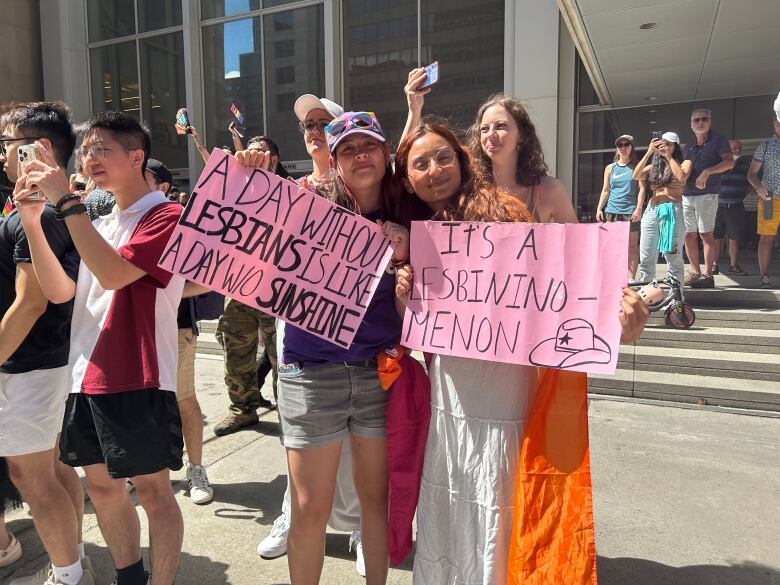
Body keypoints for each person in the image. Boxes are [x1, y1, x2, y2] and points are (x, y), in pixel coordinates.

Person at [393, 119, 649, 585]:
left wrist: (622, 324)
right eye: (421, 162)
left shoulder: (507, 214)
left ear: (463, 160)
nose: (435, 170)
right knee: (454, 503)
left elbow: (570, 293)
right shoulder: (418, 236)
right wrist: (404, 296)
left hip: (511, 397)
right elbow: (412, 331)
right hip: (450, 402)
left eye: (444, 156)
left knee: (506, 504)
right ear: (407, 176)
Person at [13, 111, 186, 585]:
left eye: (103, 148)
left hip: (140, 373)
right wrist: (30, 219)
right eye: (87, 149)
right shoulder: (99, 218)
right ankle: (129, 576)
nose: (90, 157)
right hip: (85, 372)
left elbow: (113, 276)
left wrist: (66, 202)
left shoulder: (167, 216)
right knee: (103, 490)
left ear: (137, 157)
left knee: (153, 492)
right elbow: (59, 292)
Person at [276, 111, 407, 585]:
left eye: (368, 145)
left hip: (379, 374)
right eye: (348, 150)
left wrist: (409, 249)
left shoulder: (406, 213)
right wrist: (248, 165)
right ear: (334, 162)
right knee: (309, 508)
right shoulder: (306, 204)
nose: (360, 156)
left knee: (376, 500)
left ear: (385, 152)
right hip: (312, 372)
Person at [257, 95, 365, 576]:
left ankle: (362, 528)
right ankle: (292, 515)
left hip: (356, 338)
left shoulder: (362, 189)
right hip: (298, 334)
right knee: (300, 441)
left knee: (359, 442)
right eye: (307, 124)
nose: (314, 130)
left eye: (324, 122)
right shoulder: (292, 190)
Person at [0, 102, 92, 585]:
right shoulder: (41, 207)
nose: (0, 155)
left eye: (7, 144)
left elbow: (31, 302)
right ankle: (73, 562)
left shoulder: (32, 214)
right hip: (45, 362)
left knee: (32, 478)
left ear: (42, 149)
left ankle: (70, 574)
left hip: (26, 365)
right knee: (53, 470)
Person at [143, 160, 214, 505]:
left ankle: (196, 469)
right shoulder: (125, 220)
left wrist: (165, 292)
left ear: (165, 187)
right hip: (138, 330)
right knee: (144, 403)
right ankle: (145, 471)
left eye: (147, 178)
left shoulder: (181, 222)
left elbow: (208, 279)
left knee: (184, 400)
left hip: (177, 328)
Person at [212, 139, 281, 438]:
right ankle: (243, 409)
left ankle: (289, 411)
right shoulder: (234, 189)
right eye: (250, 147)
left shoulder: (289, 193)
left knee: (283, 358)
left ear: (274, 159)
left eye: (261, 150)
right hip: (239, 289)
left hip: (277, 293)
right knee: (236, 352)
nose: (253, 153)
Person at [682, 108, 734, 288]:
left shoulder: (719, 139)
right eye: (696, 120)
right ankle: (695, 272)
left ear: (710, 121)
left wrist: (707, 171)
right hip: (687, 195)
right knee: (688, 235)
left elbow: (729, 162)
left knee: (706, 234)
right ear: (691, 125)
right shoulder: (688, 146)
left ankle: (707, 274)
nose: (700, 123)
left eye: (704, 119)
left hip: (707, 194)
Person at [632, 132, 692, 286]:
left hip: (673, 210)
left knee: (672, 256)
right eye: (662, 144)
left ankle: (677, 298)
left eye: (668, 144)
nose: (664, 146)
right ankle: (648, 294)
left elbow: (681, 176)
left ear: (676, 147)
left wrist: (668, 157)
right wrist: (649, 152)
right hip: (652, 210)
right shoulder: (655, 166)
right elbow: (636, 175)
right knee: (646, 255)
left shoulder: (685, 162)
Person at [596, 134, 646, 279]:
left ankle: (630, 279)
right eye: (620, 145)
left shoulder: (637, 167)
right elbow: (606, 190)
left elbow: (642, 189)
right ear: (617, 148)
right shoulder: (610, 168)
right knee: (612, 246)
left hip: (630, 212)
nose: (623, 148)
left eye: (626, 145)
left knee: (631, 246)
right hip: (611, 211)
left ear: (632, 147)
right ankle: (613, 277)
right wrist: (599, 208)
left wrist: (638, 208)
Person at [747, 114, 780, 288]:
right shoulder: (765, 145)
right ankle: (764, 276)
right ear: (774, 124)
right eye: (778, 121)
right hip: (769, 198)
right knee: (766, 237)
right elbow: (751, 173)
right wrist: (759, 186)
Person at [713, 140, 750, 276]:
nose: (738, 149)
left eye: (740, 147)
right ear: (727, 149)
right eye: (734, 147)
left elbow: (749, 186)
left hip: (736, 206)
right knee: (716, 237)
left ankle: (734, 266)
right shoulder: (717, 164)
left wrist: (738, 197)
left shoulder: (745, 167)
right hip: (717, 206)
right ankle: (714, 266)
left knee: (734, 238)